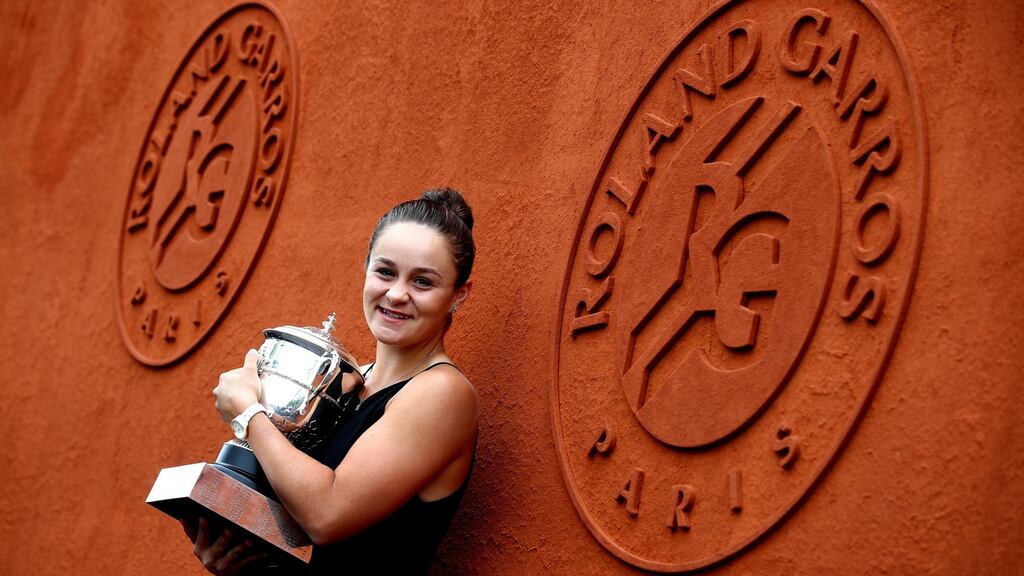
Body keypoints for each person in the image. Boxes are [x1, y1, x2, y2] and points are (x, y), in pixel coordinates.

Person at [180, 188, 479, 575]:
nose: (397, 294)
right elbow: (298, 532)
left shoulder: (442, 393)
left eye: (423, 282)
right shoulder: (350, 382)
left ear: (459, 295)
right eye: (385, 272)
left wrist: (249, 414)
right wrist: (235, 552)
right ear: (366, 267)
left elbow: (327, 514)